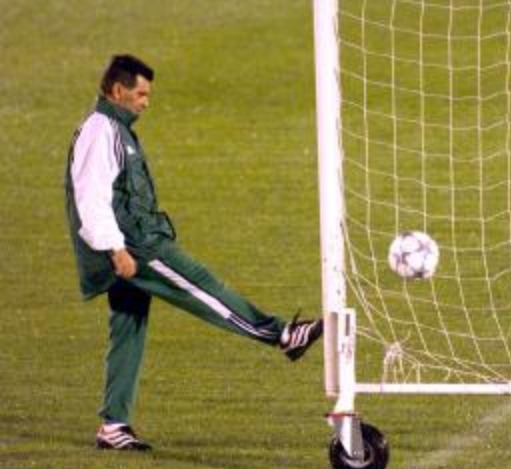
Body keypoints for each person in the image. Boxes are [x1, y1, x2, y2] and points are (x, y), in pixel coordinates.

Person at [64, 54, 323, 451]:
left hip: (131, 241)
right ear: (117, 90)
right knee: (200, 286)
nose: (146, 102)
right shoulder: (102, 133)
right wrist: (115, 249)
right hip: (135, 246)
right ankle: (283, 335)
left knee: (129, 325)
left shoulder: (115, 129)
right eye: (141, 94)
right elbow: (90, 198)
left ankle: (113, 426)